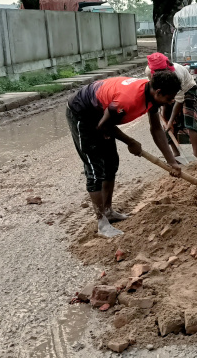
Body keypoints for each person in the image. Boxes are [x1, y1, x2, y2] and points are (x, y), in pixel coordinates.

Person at [66, 73, 183, 238]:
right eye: (169, 98)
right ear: (158, 92)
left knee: (111, 162)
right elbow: (104, 125)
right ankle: (102, 223)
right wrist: (130, 141)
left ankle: (108, 211)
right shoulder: (128, 100)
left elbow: (156, 128)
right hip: (83, 113)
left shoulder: (150, 94)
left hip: (103, 112)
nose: (171, 101)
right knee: (95, 168)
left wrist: (172, 161)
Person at [144, 53, 197, 159]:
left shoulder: (177, 75)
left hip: (187, 89)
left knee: (189, 119)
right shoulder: (149, 72)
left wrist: (171, 121)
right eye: (156, 72)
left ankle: (196, 155)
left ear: (167, 67)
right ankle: (175, 153)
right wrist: (168, 121)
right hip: (167, 90)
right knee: (165, 122)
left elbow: (178, 100)